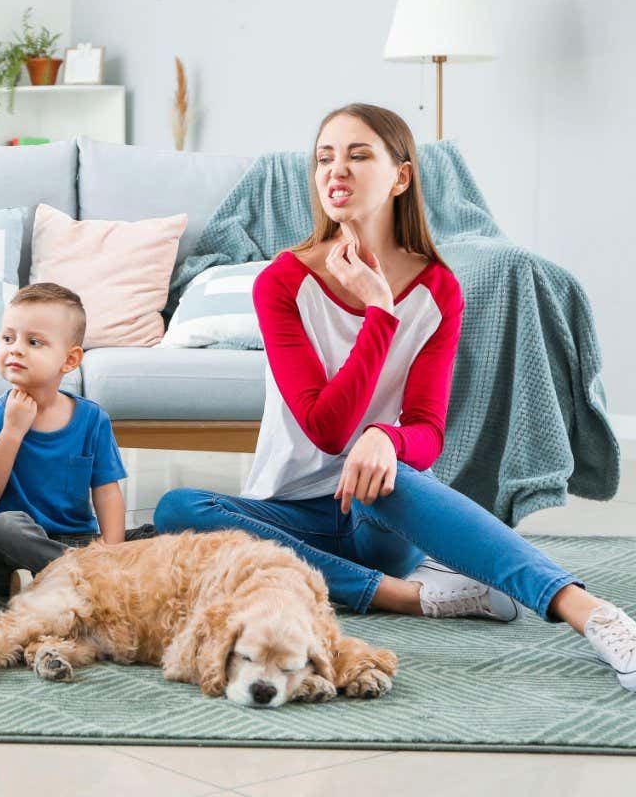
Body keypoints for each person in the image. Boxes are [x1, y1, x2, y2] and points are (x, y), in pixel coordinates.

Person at [154, 103, 636, 691]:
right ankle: (410, 599)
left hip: (377, 513)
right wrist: (381, 313)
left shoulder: (438, 288)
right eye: (325, 158)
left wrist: (387, 437)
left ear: (401, 176)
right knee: (177, 511)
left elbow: (427, 431)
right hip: (289, 519)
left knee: (391, 471)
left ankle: (592, 614)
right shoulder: (282, 281)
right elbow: (324, 428)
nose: (337, 171)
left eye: (359, 156)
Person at [0, 283, 145, 596]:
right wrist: (12, 432)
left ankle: (61, 579)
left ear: (69, 361)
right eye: (7, 338)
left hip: (77, 542)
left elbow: (107, 494)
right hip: (8, 550)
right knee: (3, 527)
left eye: (34, 341)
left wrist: (112, 552)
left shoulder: (92, 420)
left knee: (157, 532)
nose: (15, 348)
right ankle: (92, 582)